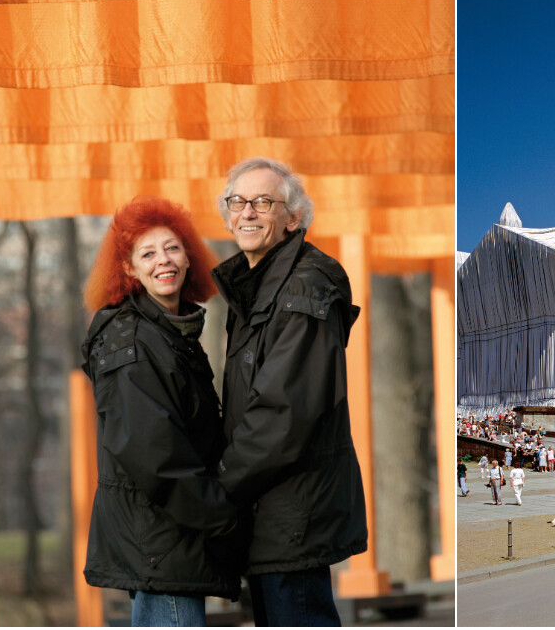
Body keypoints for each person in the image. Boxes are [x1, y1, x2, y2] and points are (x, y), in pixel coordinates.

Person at [211, 158, 368, 626]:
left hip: (293, 512)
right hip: (268, 511)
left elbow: (284, 413)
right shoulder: (256, 288)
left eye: (263, 202)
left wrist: (218, 489)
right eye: (238, 202)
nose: (248, 212)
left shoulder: (305, 286)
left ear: (293, 218)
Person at [81, 197, 242, 626]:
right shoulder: (130, 342)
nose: (163, 261)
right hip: (160, 541)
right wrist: (223, 518)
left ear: (189, 255)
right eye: (147, 253)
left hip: (176, 536)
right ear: (129, 269)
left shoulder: (171, 333)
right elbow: (155, 456)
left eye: (172, 248)